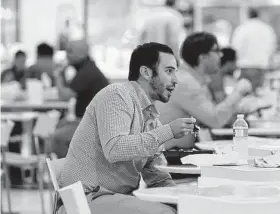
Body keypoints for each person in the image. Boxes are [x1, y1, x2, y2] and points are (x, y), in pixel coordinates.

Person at [58, 42, 196, 214]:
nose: (175, 80)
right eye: (169, 71)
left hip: (114, 198)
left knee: (187, 207)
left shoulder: (151, 118)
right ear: (146, 72)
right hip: (86, 199)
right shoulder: (117, 94)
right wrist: (168, 132)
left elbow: (155, 174)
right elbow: (115, 149)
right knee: (164, 213)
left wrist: (182, 196)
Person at [156, 32, 252, 150]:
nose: (221, 55)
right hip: (169, 157)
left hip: (177, 153)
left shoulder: (194, 79)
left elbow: (211, 118)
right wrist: (238, 92)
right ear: (202, 57)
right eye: (216, 50)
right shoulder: (185, 83)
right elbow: (215, 120)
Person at [51, 40, 109, 158]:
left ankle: (73, 169)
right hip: (89, 120)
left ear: (80, 54)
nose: (67, 55)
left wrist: (58, 74)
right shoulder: (88, 68)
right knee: (58, 125)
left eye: (70, 52)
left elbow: (64, 96)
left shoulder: (87, 72)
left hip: (93, 125)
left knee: (56, 138)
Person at [231, 8, 277, 90]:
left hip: (245, 67)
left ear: (248, 15)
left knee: (244, 93)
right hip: (260, 67)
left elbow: (236, 47)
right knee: (258, 93)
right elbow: (272, 48)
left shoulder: (242, 29)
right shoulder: (267, 29)